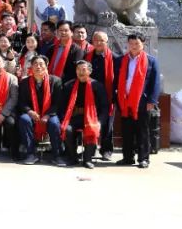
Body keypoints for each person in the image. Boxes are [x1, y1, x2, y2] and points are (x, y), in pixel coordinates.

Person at [116, 34, 160, 169]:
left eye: (137, 44)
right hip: (124, 101)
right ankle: (128, 157)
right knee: (127, 130)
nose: (133, 46)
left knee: (143, 131)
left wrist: (152, 100)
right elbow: (116, 80)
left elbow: (155, 83)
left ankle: (143, 158)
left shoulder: (151, 61)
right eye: (131, 44)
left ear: (143, 44)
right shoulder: (121, 60)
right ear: (127, 44)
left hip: (142, 101)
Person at [59, 60, 109, 169]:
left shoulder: (98, 86)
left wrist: (100, 122)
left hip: (92, 118)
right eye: (78, 69)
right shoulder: (69, 85)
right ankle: (72, 157)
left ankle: (87, 159)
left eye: (84, 70)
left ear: (89, 71)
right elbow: (62, 106)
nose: (81, 72)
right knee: (67, 129)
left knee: (92, 128)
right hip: (74, 117)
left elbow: (105, 107)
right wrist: (63, 120)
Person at [16, 55, 63, 165]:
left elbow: (58, 103)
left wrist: (47, 115)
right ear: (31, 67)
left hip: (50, 113)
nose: (38, 66)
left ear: (46, 66)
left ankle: (57, 155)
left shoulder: (56, 81)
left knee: (54, 123)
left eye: (41, 64)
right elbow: (21, 102)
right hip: (32, 113)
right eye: (35, 64)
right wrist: (29, 111)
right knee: (24, 119)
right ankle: (30, 153)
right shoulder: (24, 82)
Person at [86, 30, 117, 160]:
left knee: (107, 124)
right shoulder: (87, 57)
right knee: (90, 122)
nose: (98, 43)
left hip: (108, 96)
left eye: (102, 40)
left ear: (107, 42)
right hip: (91, 95)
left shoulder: (115, 58)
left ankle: (106, 150)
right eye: (96, 40)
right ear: (92, 41)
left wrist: (115, 96)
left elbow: (118, 79)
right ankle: (90, 149)